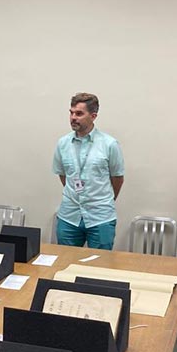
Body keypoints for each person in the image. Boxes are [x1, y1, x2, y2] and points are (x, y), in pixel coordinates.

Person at [52, 92, 124, 250]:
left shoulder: (109, 144)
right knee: (65, 266)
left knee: (99, 267)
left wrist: (103, 199)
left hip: (100, 216)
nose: (73, 118)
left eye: (79, 113)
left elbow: (117, 178)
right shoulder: (63, 143)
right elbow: (63, 175)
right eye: (71, 113)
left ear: (93, 116)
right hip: (69, 215)